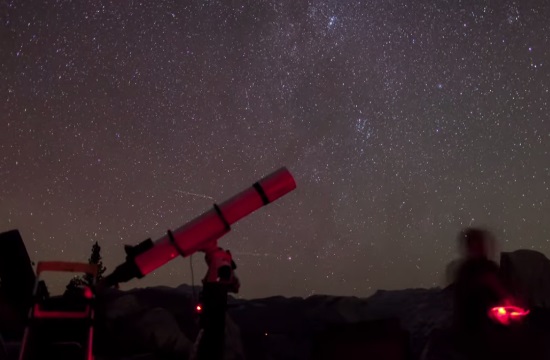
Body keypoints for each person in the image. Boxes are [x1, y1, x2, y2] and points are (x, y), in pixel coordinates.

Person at [452, 228, 509, 334]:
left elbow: (503, 294)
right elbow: (466, 304)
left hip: (495, 327)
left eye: (480, 243)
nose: (479, 247)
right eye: (475, 244)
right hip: (474, 332)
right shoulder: (466, 271)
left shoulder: (491, 267)